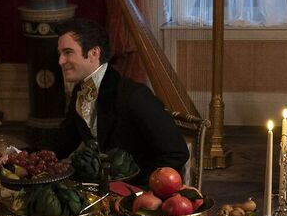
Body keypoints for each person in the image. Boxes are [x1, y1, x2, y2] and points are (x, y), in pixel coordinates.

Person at [50, 18, 189, 183]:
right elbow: (62, 144)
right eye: (60, 54)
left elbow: (176, 153)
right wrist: (19, 156)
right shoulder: (80, 92)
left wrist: (139, 191)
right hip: (102, 189)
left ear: (94, 53)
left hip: (135, 194)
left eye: (68, 52)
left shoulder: (134, 95)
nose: (60, 61)